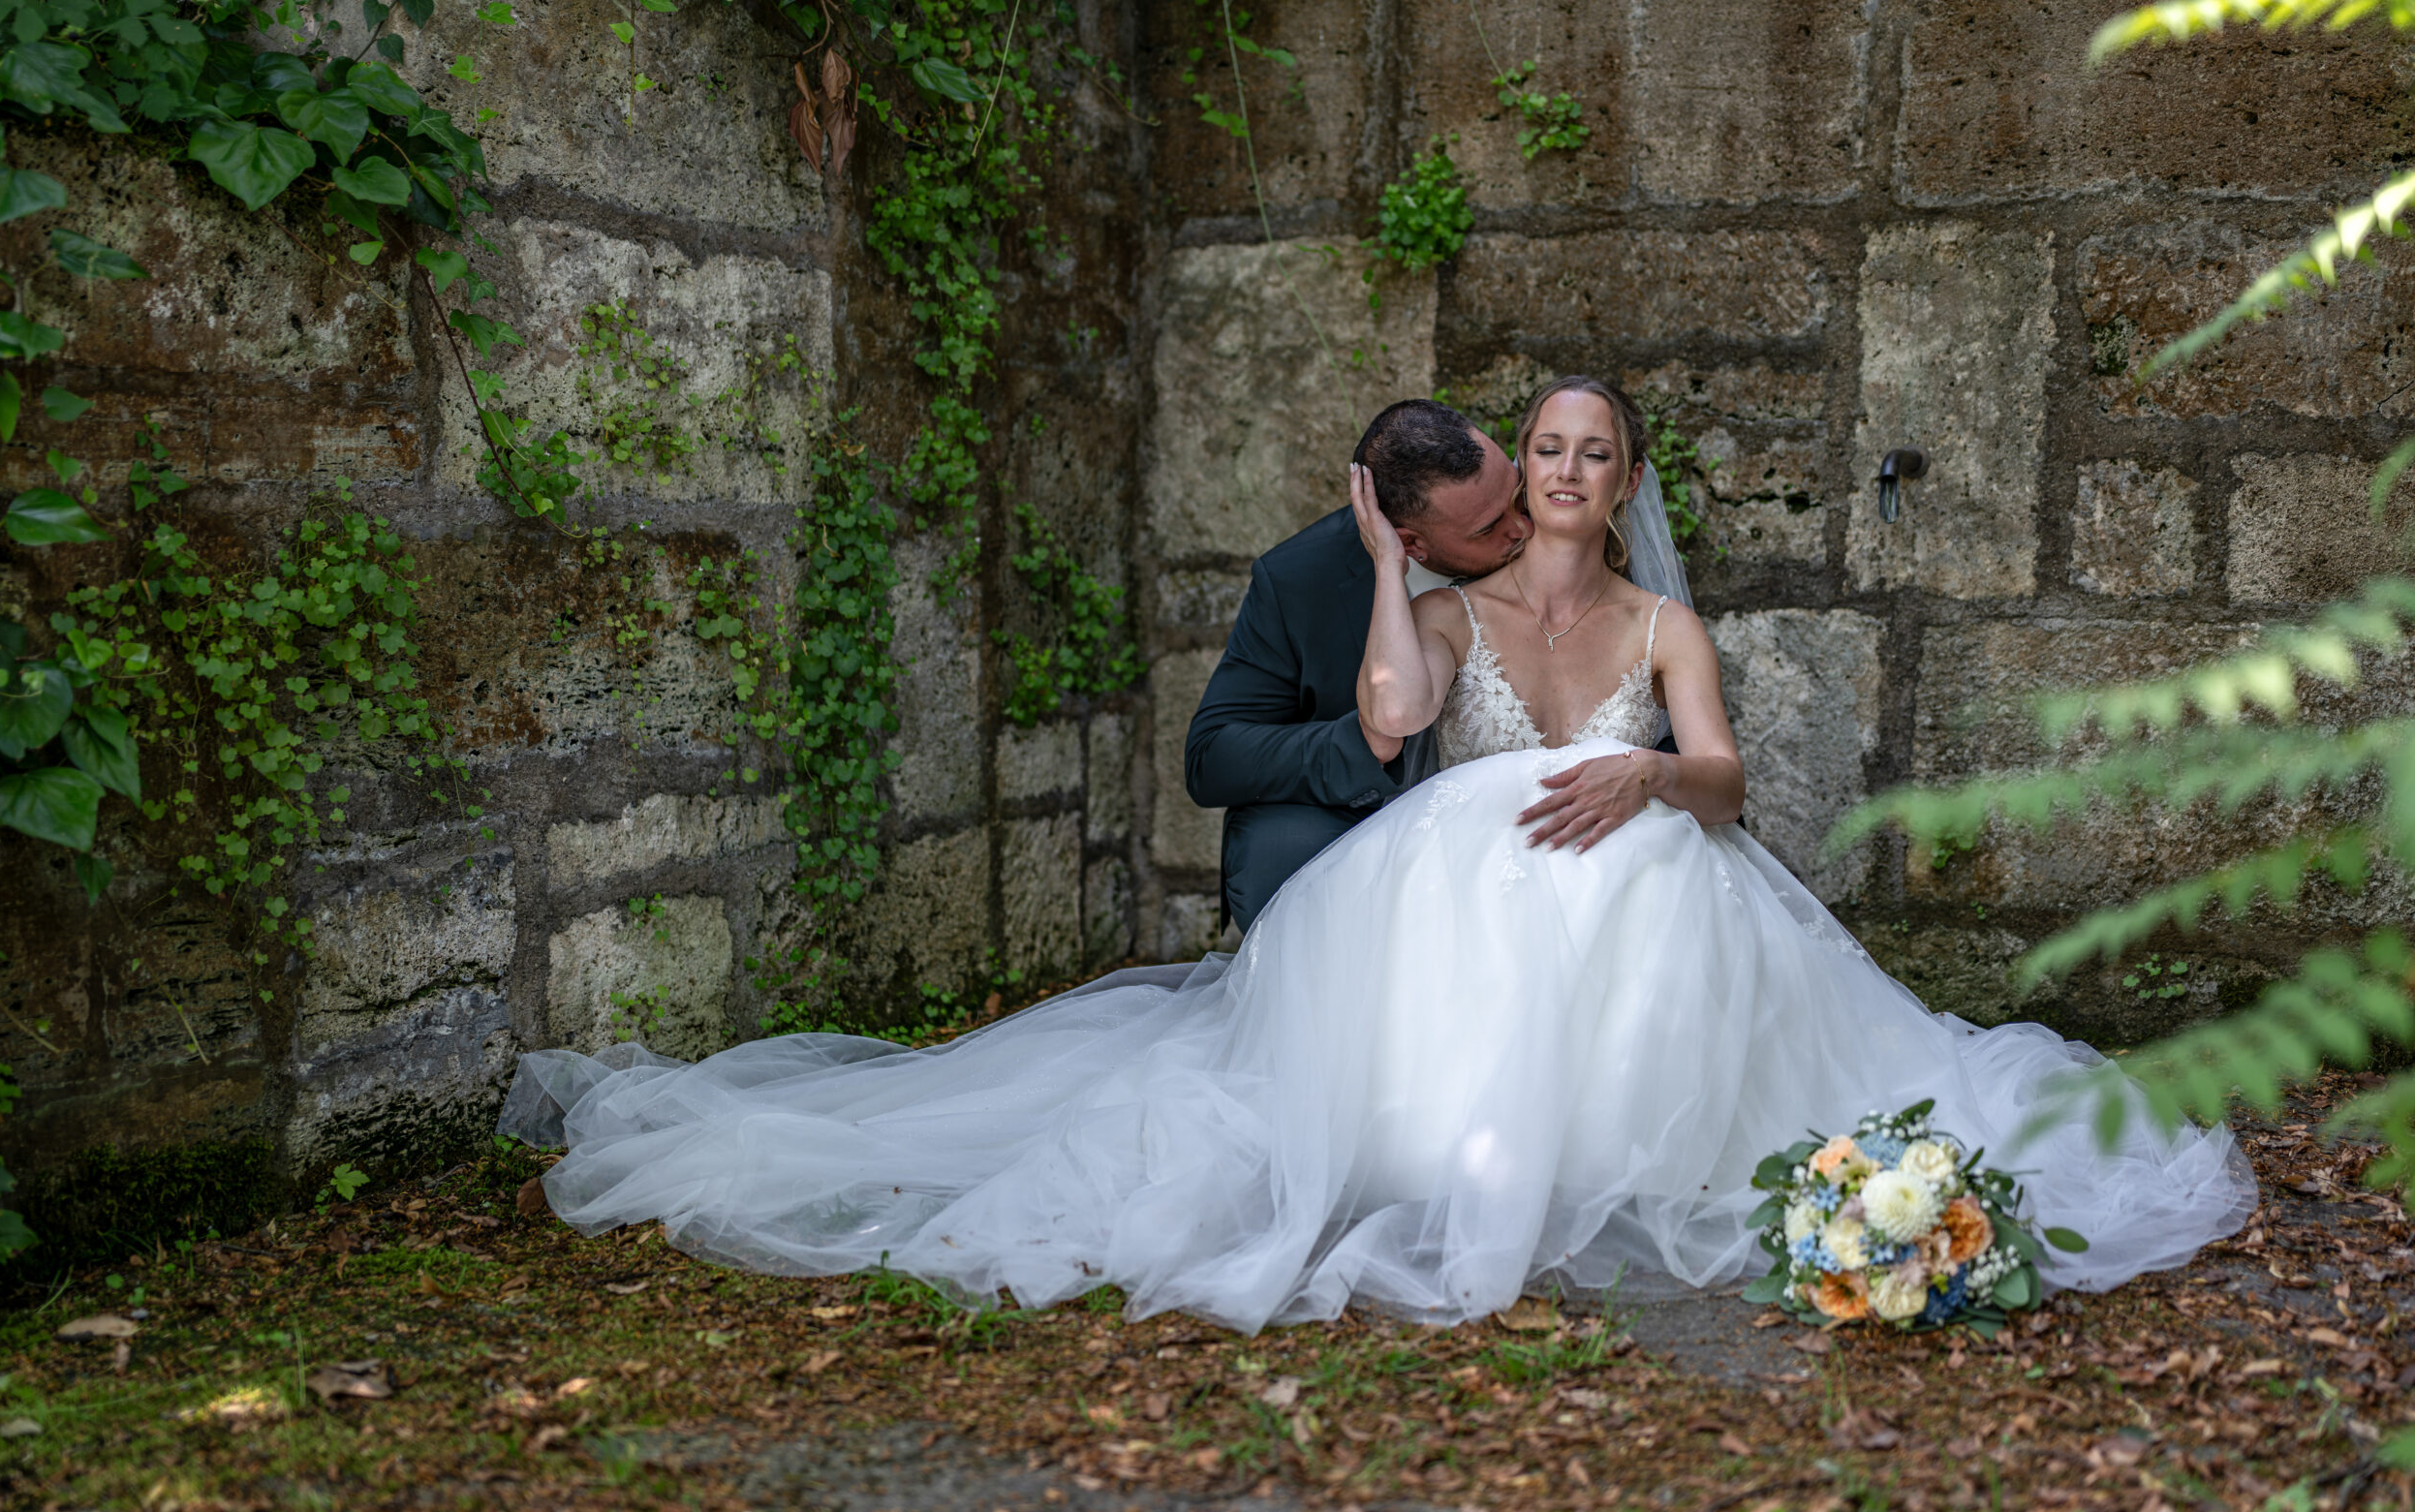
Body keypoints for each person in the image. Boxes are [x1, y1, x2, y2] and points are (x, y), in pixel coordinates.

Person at [501, 377, 2254, 1334]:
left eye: (1582, 456)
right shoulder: (1433, 597)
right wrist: (1385, 558)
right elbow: (1397, 714)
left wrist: (1647, 778)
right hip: (1451, 869)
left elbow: (1723, 779)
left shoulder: (1666, 624)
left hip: (1642, 853)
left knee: (1652, 885)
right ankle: (1447, 1149)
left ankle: (1621, 1153)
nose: (1553, 478)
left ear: (1621, 479)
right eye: (1537, 455)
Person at [1184, 400, 1529, 935]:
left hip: (1523, 798)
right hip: (1371, 812)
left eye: (1518, 495)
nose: (1524, 527)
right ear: (1410, 543)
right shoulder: (1301, 577)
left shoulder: (1557, 526)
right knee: (1273, 850)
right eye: (1489, 528)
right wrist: (1362, 744)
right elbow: (1212, 757)